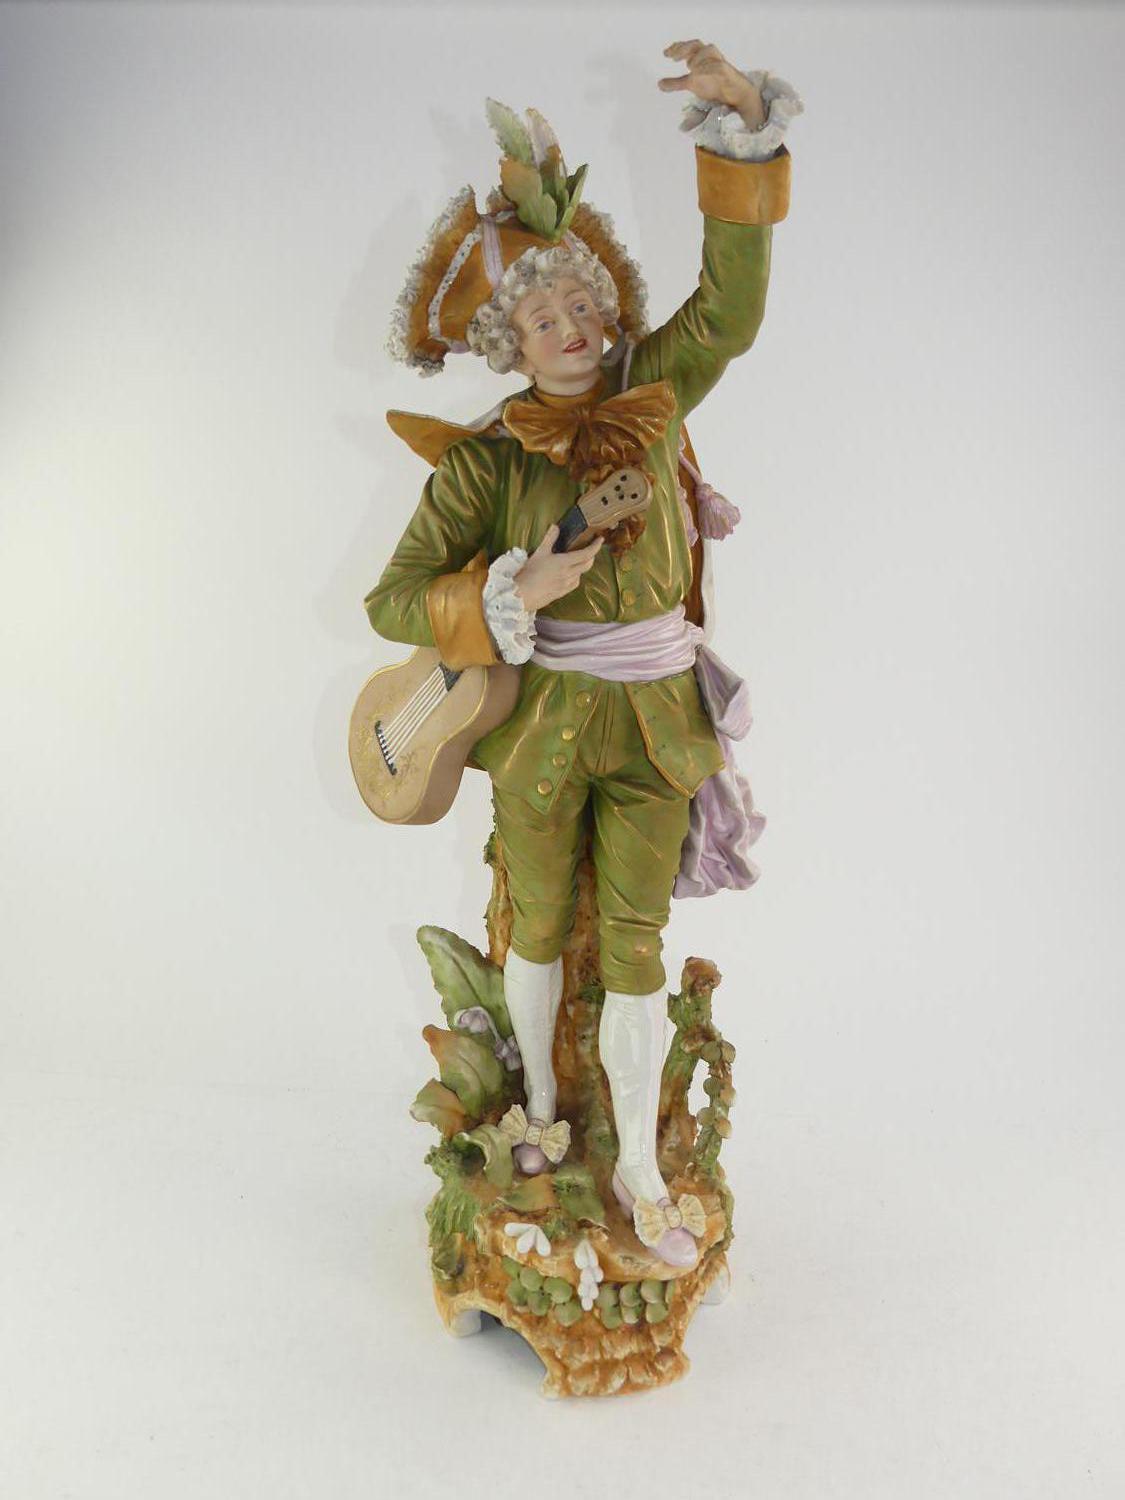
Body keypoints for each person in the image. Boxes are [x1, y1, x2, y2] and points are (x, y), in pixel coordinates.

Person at [367, 40, 801, 1268]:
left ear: (609, 311)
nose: (569, 328)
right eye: (539, 316)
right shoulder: (488, 464)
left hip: (657, 721)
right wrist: (505, 592)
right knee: (541, 928)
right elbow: (393, 600)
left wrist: (743, 137)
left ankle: (643, 1170)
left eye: (580, 305)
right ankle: (543, 1117)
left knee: (637, 945)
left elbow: (731, 309)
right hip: (545, 729)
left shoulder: (655, 390)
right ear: (507, 342)